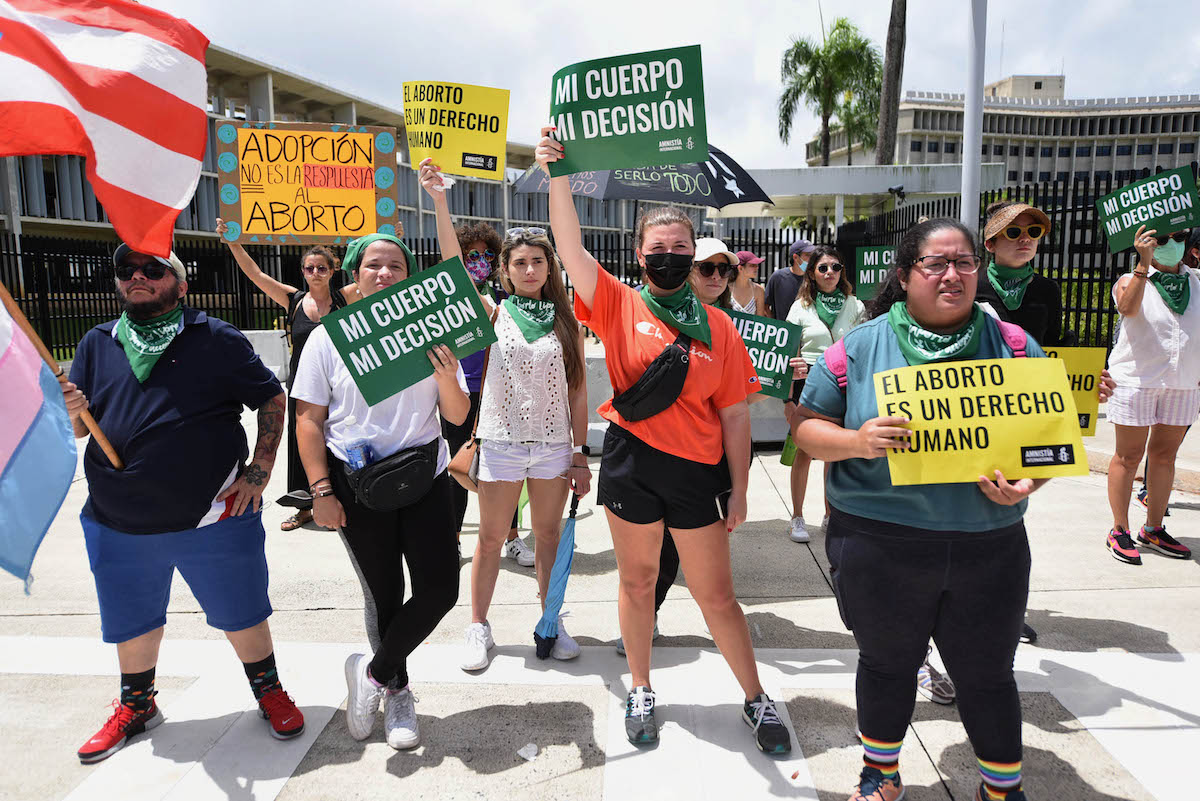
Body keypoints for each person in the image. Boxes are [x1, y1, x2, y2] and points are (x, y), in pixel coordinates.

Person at [538, 126, 791, 755]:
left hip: (696, 473)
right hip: (630, 463)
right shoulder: (616, 303)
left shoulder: (721, 328)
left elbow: (735, 416)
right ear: (639, 252)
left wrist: (737, 490)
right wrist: (558, 175)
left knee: (717, 595)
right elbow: (567, 247)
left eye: (683, 247)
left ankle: (756, 697)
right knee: (637, 583)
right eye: (660, 247)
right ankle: (642, 687)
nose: (672, 255)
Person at [794, 218, 1044, 801]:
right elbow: (806, 428)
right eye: (936, 264)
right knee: (886, 665)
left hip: (989, 545)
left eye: (964, 263)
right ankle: (881, 776)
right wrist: (857, 441)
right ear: (905, 276)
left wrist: (1028, 482)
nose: (952, 275)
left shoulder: (1011, 344)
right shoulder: (858, 347)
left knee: (987, 674)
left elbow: (1045, 444)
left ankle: (1002, 789)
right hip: (881, 544)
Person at [63, 244, 302, 764]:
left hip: (214, 515)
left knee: (242, 612)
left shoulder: (214, 337)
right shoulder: (97, 342)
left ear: (180, 283)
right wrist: (73, 411)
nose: (137, 277)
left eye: (153, 269)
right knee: (134, 620)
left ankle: (268, 692)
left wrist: (259, 472)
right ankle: (137, 704)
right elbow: (82, 428)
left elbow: (271, 397)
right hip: (118, 517)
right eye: (126, 270)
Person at [292, 232, 469, 749]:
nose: (384, 273)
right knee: (385, 594)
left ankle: (371, 674)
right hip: (356, 487)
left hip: (425, 478)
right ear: (355, 274)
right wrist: (320, 491)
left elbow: (457, 416)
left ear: (410, 278)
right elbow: (308, 419)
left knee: (440, 588)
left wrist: (445, 375)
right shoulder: (328, 338)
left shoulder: (431, 334)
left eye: (395, 266)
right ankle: (398, 693)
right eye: (373, 265)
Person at [417, 160, 592, 671]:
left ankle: (550, 620)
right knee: (492, 539)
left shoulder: (569, 323)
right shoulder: (492, 312)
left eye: (539, 262)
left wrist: (580, 454)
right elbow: (451, 271)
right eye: (520, 263)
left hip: (556, 448)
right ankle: (479, 627)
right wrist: (440, 200)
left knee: (548, 538)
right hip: (501, 443)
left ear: (549, 267)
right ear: (505, 270)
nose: (531, 270)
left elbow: (578, 395)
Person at [615, 236, 746, 657]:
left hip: (706, 460)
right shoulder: (636, 309)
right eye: (707, 268)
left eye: (725, 270)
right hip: (645, 461)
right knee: (652, 560)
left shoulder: (727, 323)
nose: (716, 277)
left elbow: (737, 405)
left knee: (710, 582)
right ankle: (647, 615)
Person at [216, 219, 353, 531]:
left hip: (343, 384)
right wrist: (233, 243)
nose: (315, 273)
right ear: (302, 272)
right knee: (303, 442)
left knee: (343, 439)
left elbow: (383, 279)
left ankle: (345, 499)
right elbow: (256, 275)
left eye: (322, 268)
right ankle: (304, 506)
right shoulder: (293, 300)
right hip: (305, 387)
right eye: (309, 268)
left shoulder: (346, 298)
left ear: (333, 271)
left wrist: (389, 237)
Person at [427, 208, 527, 565]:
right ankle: (452, 539)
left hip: (498, 394)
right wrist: (439, 201)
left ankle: (512, 538)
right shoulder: (453, 297)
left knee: (505, 468)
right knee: (460, 466)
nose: (481, 261)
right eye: (473, 255)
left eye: (488, 255)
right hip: (459, 395)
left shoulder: (504, 299)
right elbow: (453, 268)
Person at [1104, 224, 1200, 566]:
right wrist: (1143, 263)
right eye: (1162, 238)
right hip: (1136, 381)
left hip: (1183, 382)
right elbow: (1127, 309)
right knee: (1128, 458)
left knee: (1164, 458)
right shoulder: (1130, 280)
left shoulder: (1196, 281)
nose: (1171, 244)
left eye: (1178, 237)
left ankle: (1154, 528)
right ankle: (1119, 529)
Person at [784, 245, 867, 542]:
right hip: (808, 385)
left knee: (835, 453)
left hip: (844, 385)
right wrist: (788, 398)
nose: (830, 272)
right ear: (811, 274)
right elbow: (788, 355)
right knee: (803, 452)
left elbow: (862, 348)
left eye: (835, 267)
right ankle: (797, 517)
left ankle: (831, 515)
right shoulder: (799, 308)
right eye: (823, 268)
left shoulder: (854, 306)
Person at [765, 237, 815, 321]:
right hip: (783, 329)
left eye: (812, 255)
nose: (811, 258)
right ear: (795, 257)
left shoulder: (814, 277)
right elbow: (765, 306)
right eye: (807, 255)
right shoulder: (778, 277)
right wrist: (775, 325)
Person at [731, 250, 767, 315]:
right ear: (740, 268)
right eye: (752, 265)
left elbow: (760, 319)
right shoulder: (726, 289)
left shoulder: (758, 290)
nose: (757, 268)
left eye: (757, 265)